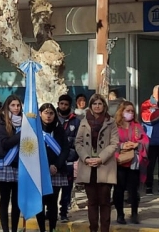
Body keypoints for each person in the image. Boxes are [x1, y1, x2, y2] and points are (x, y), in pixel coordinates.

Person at [76, 94, 119, 232]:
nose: (97, 106)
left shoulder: (111, 122)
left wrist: (101, 158)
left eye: (100, 104)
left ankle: (104, 229)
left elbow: (114, 143)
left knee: (105, 202)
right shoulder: (84, 121)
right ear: (91, 106)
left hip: (104, 165)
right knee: (92, 201)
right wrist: (86, 158)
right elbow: (78, 143)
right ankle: (93, 229)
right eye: (94, 104)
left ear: (104, 105)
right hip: (88, 166)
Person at [112, 101, 148, 225]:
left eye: (132, 111)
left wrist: (137, 144)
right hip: (119, 162)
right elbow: (110, 143)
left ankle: (134, 214)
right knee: (119, 189)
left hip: (133, 162)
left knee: (133, 189)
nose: (130, 113)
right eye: (128, 111)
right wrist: (122, 145)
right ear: (121, 112)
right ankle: (120, 214)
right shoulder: (115, 126)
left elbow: (145, 140)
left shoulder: (137, 125)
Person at [36, 103, 69, 232]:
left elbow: (65, 149)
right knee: (41, 202)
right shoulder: (36, 130)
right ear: (40, 114)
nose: (48, 116)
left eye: (51, 113)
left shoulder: (59, 129)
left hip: (56, 170)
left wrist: (56, 165)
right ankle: (42, 229)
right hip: (40, 171)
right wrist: (44, 167)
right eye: (46, 113)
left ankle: (52, 229)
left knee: (52, 202)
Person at [0, 95, 22, 232]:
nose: (16, 108)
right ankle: (5, 229)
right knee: (4, 199)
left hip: (19, 164)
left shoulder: (24, 121)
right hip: (6, 163)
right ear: (7, 106)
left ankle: (14, 229)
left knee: (16, 201)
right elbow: (4, 143)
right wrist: (21, 135)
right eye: (13, 105)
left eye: (18, 105)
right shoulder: (1, 120)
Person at [54, 94, 80, 222]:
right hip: (54, 160)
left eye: (66, 104)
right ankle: (50, 212)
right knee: (53, 189)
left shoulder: (76, 121)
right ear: (58, 104)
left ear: (70, 106)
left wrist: (69, 149)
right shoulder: (52, 118)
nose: (63, 106)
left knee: (67, 188)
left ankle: (63, 212)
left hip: (69, 160)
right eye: (61, 104)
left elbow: (78, 141)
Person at [141, 84, 159, 194]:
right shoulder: (146, 104)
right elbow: (148, 119)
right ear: (154, 94)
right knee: (150, 165)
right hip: (151, 141)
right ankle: (149, 185)